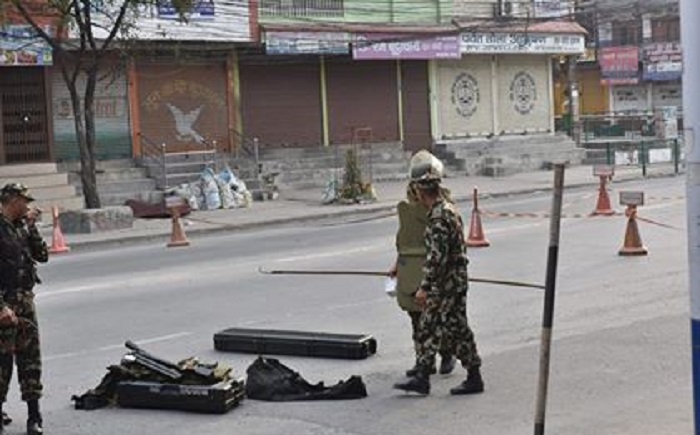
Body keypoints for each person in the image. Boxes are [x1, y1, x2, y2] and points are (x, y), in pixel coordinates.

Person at [393, 155, 484, 396]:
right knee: (433, 327)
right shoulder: (445, 210)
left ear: (422, 192)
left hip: (447, 284)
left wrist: (425, 287)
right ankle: (424, 375)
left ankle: (472, 376)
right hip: (450, 281)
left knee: (451, 329)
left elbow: (437, 258)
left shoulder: (438, 217)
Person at [389, 175, 455, 377]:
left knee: (436, 321)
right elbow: (407, 244)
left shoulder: (440, 214)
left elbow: (440, 252)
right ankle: (423, 362)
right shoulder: (409, 213)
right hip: (413, 269)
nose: (414, 196)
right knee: (416, 319)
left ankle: (445, 354)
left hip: (433, 273)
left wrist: (427, 285)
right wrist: (397, 266)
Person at [0, 183, 48, 434]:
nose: (28, 206)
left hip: (25, 302)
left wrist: (32, 227)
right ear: (11, 201)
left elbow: (42, 256)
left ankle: (34, 415)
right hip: (4, 305)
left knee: (30, 360)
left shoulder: (22, 226)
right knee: (2, 362)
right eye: (24, 201)